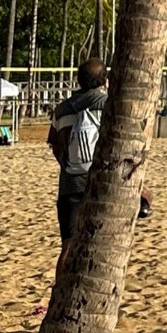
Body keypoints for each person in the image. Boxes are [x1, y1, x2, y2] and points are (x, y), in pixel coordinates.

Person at [48, 59, 107, 268]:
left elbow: (55, 145)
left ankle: (58, 294)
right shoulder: (107, 105)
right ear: (104, 81)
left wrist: (66, 165)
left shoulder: (62, 109)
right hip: (101, 183)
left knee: (68, 245)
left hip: (69, 185)